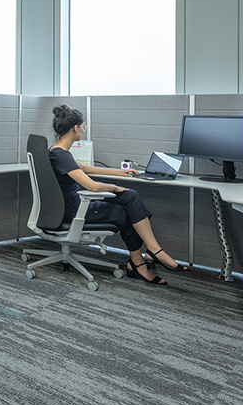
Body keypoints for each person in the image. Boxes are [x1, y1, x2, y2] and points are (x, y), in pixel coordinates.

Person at [48, 104, 192, 285]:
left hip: (70, 205)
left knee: (129, 201)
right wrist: (114, 187)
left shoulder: (57, 151)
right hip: (75, 210)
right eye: (83, 126)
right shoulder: (61, 155)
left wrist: (118, 172)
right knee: (129, 201)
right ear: (75, 128)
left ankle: (141, 261)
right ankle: (150, 254)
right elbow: (92, 187)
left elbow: (82, 168)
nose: (83, 130)